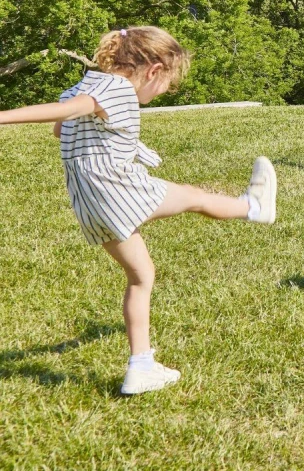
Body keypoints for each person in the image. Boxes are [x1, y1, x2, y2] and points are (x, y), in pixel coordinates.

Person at [0, 26, 277, 395]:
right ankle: (254, 207)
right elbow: (67, 112)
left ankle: (141, 365)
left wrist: (119, 138)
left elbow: (60, 128)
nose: (163, 92)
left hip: (90, 205)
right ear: (153, 70)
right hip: (119, 190)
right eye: (167, 84)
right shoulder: (114, 89)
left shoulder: (88, 84)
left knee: (141, 276)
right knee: (193, 196)